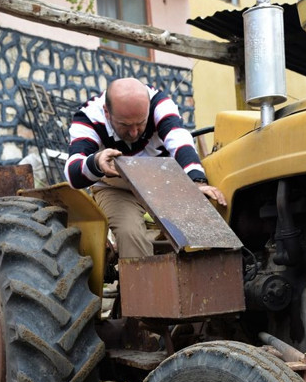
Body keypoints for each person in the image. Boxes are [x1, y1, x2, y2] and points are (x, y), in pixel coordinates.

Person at [64, 77, 226, 258]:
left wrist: (198, 182)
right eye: (125, 125)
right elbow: (72, 174)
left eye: (140, 123)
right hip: (116, 188)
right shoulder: (88, 117)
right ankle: (143, 284)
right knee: (130, 235)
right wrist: (96, 161)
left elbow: (180, 142)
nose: (133, 133)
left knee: (205, 230)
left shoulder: (160, 104)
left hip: (162, 181)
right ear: (107, 112)